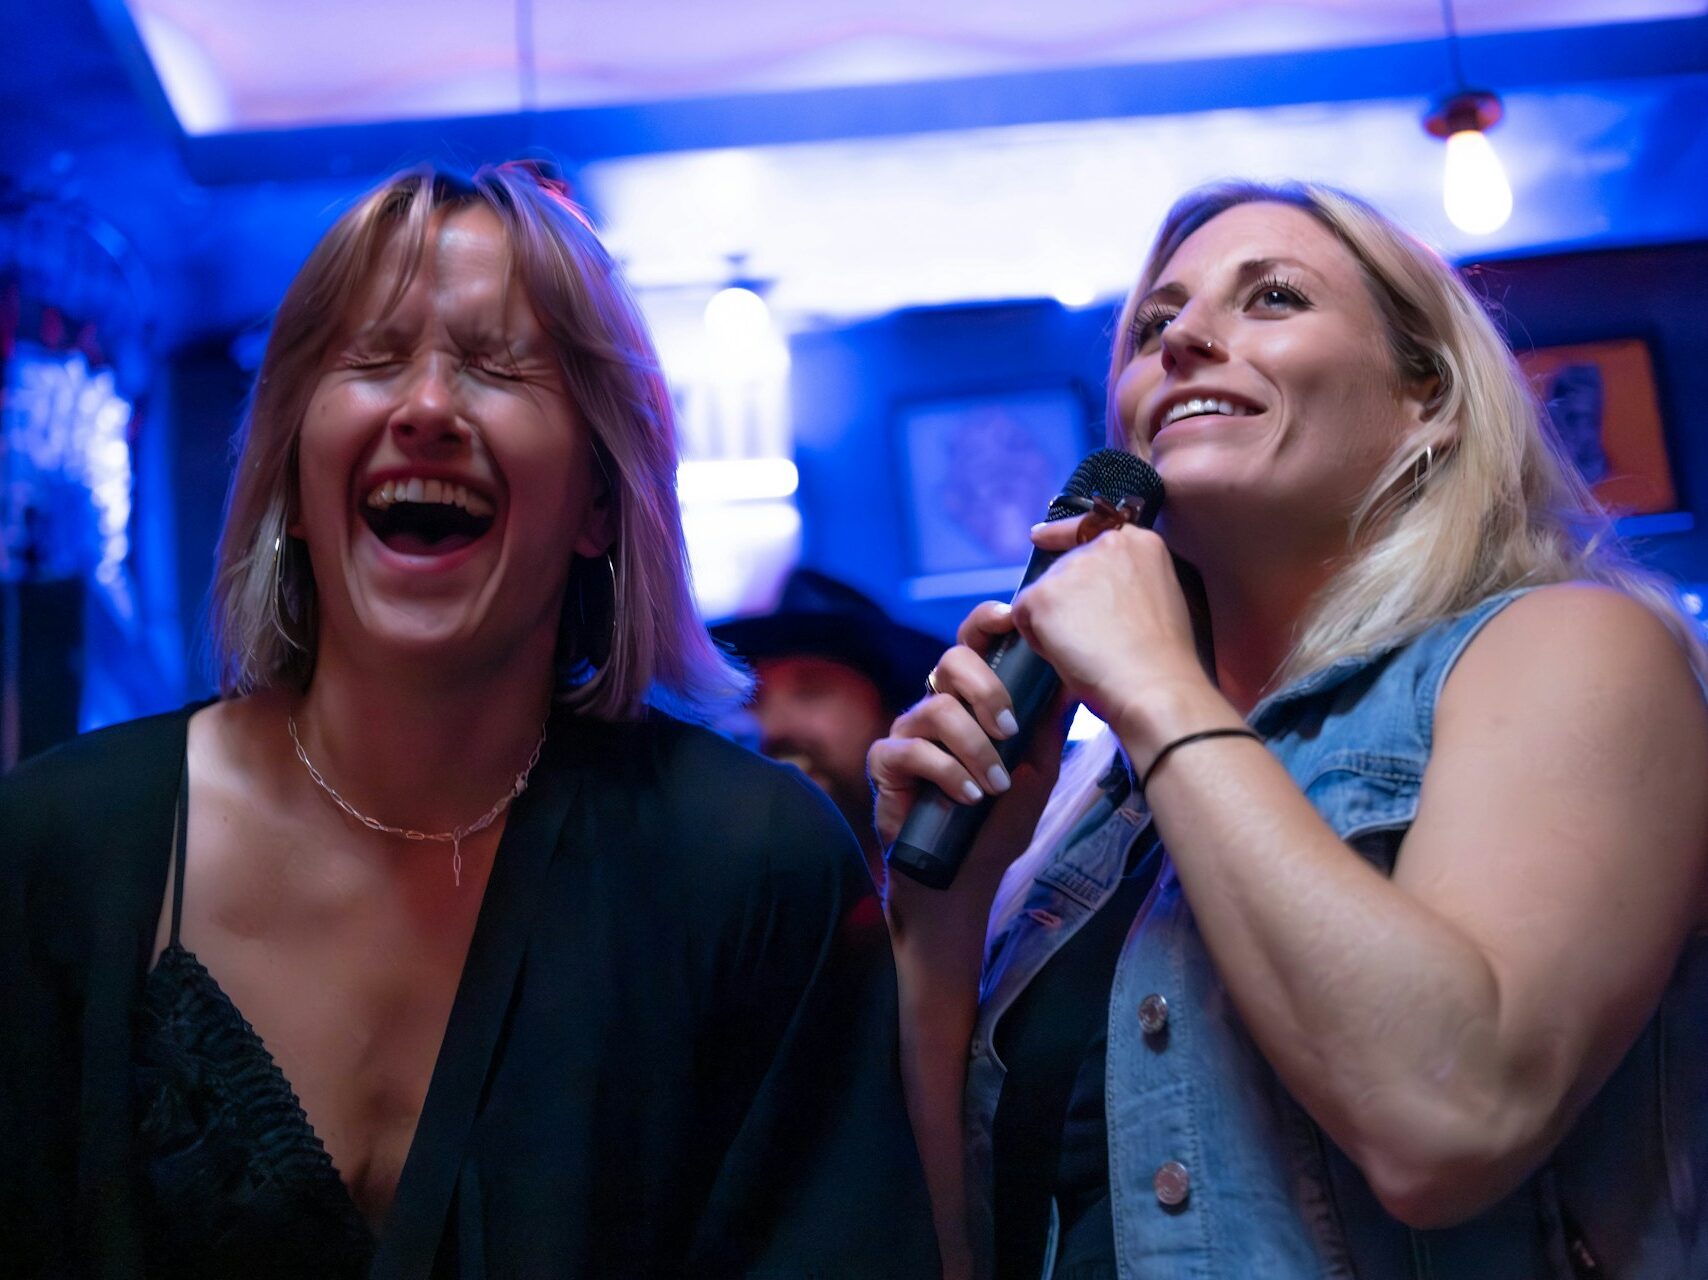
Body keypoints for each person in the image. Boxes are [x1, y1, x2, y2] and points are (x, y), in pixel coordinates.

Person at [0, 161, 937, 1278]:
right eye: (373, 358)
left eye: (499, 366)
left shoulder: (752, 867)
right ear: (295, 472)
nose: (429, 408)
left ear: (599, 499)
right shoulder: (58, 849)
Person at [873, 181, 1708, 1279]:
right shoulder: (1096, 812)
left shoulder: (1573, 648)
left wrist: (1159, 689)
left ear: (1430, 396)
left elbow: (1450, 1121)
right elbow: (949, 1246)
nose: (1186, 343)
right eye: (1155, 325)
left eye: (1270, 298)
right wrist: (942, 915)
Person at [713, 568, 944, 882]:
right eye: (754, 700)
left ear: (890, 714)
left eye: (811, 692)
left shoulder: (973, 886)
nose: (773, 728)